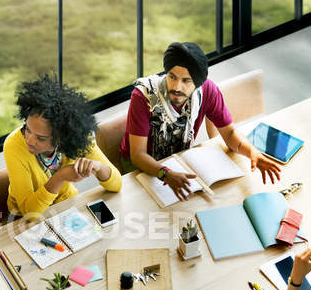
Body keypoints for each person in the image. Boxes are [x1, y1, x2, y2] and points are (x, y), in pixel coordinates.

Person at [119, 41, 281, 200]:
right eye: (172, 76)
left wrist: (251, 151)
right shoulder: (143, 97)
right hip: (138, 165)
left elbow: (229, 133)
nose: (177, 87)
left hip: (177, 157)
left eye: (186, 80)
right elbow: (138, 155)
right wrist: (165, 174)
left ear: (198, 82)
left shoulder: (207, 91)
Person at [4, 75, 122, 219]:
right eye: (27, 129)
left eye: (41, 138)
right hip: (22, 219)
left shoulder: (77, 137)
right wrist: (60, 177)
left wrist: (98, 167)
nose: (29, 140)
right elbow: (29, 213)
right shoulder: (13, 145)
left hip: (66, 205)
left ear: (61, 137)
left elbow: (117, 185)